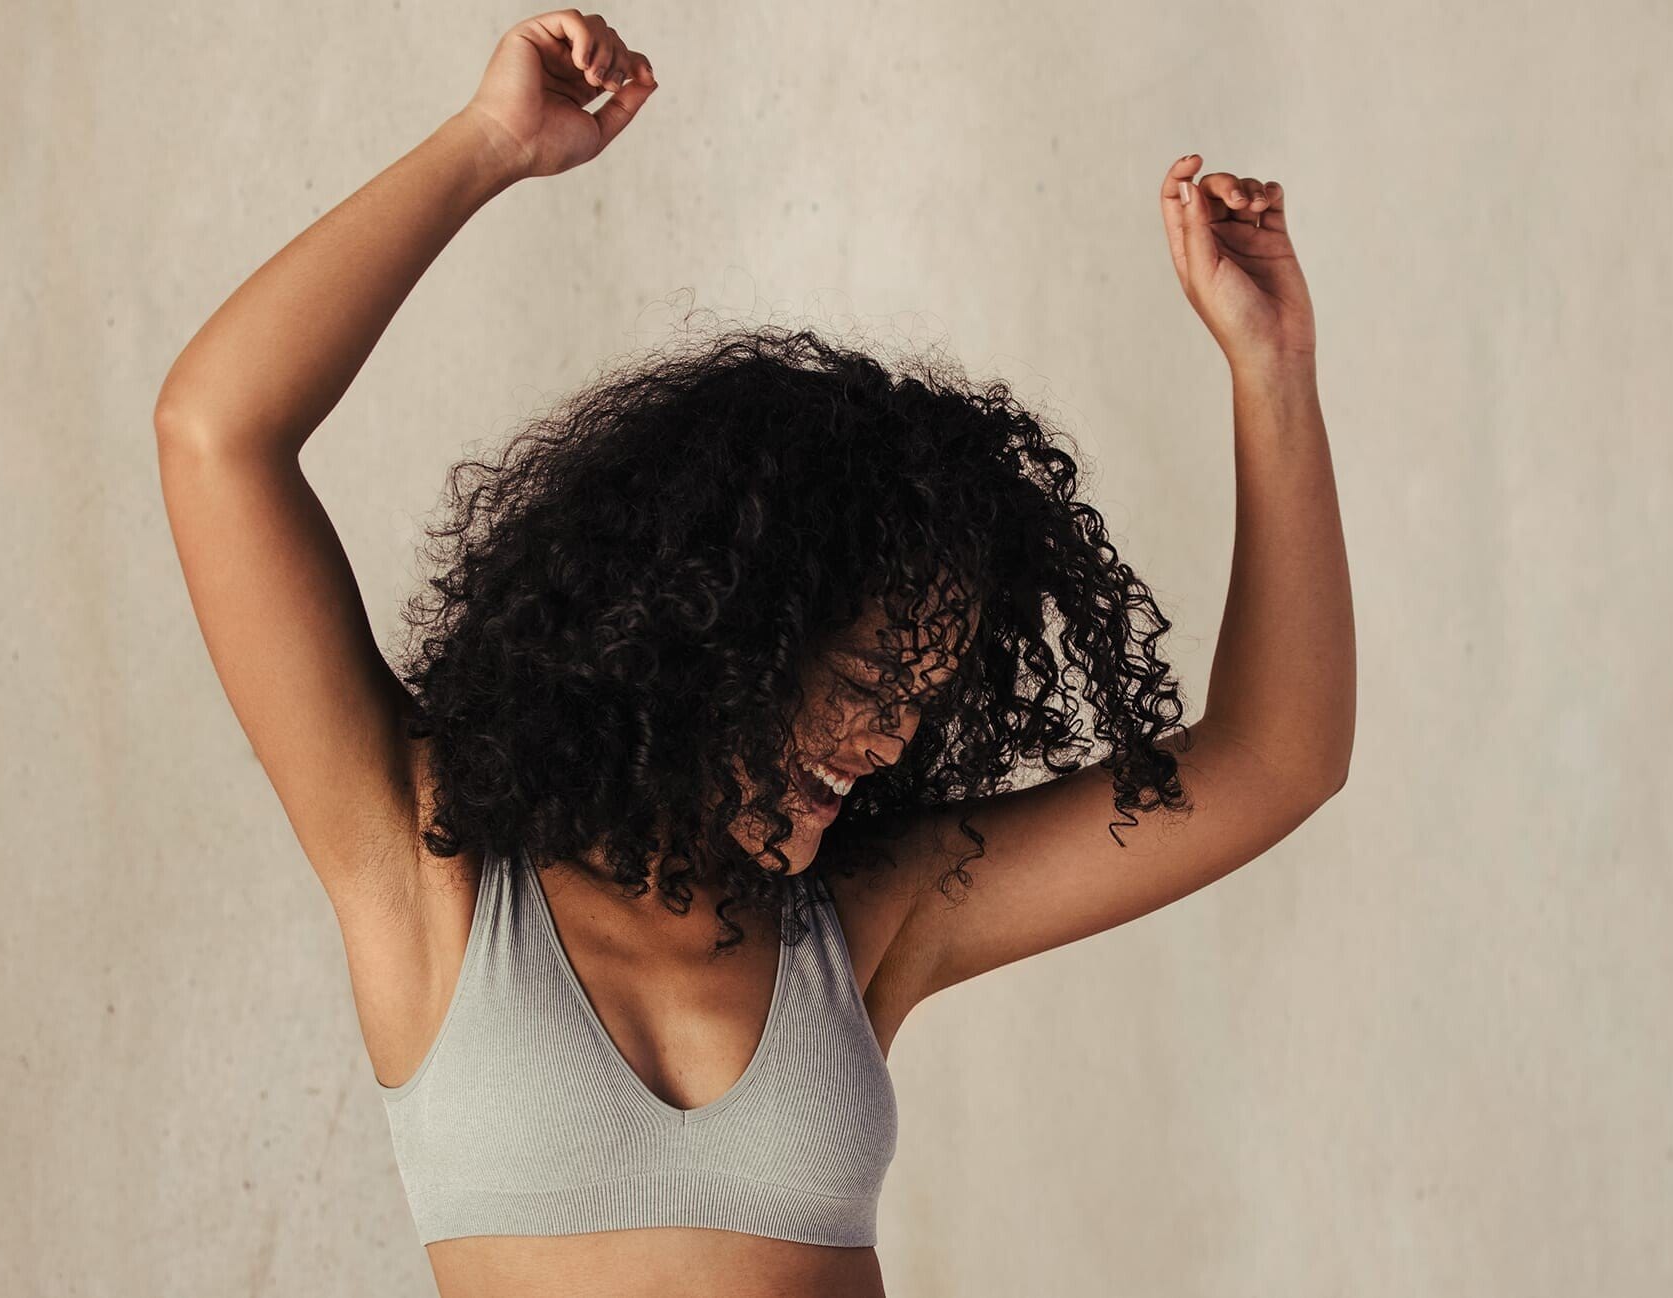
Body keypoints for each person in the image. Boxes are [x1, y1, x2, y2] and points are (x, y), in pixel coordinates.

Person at [152, 10, 1353, 1296]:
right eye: (861, 685)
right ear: (710, 632)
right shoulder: (427, 861)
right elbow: (216, 431)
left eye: (921, 700)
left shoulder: (863, 911)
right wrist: (488, 143)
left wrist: (1273, 369)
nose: (890, 740)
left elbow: (1275, 760)